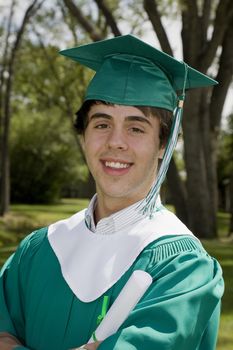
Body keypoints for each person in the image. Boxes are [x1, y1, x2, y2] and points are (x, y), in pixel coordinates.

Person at [0, 35, 224, 350]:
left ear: (164, 144)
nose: (115, 142)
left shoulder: (183, 268)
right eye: (102, 124)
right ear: (83, 137)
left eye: (136, 128)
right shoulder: (38, 249)